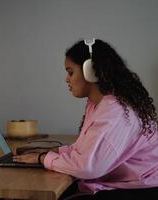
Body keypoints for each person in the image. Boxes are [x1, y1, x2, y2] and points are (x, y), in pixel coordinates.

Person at [13, 39, 158, 199]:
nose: (67, 79)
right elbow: (85, 151)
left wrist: (43, 159)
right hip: (125, 183)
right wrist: (54, 152)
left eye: (70, 72)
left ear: (91, 71)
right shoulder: (98, 103)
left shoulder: (114, 111)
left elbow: (89, 167)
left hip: (141, 191)